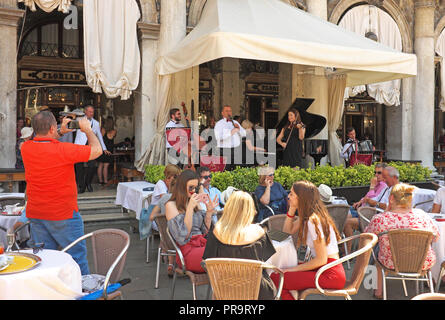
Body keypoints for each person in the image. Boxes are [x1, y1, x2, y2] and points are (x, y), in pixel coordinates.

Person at [21, 110, 103, 275]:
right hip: (63, 214)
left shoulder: (26, 147)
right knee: (76, 259)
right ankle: (80, 293)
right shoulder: (64, 149)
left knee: (44, 260)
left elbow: (42, 140)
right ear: (52, 128)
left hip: (36, 213)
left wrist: (59, 132)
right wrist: (87, 129)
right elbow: (97, 151)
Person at [269, 180, 345, 300]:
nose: (288, 196)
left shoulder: (313, 220)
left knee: (276, 278)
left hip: (329, 273)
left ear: (301, 198)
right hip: (323, 269)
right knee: (280, 274)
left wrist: (290, 270)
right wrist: (292, 210)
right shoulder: (308, 216)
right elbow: (286, 233)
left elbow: (321, 260)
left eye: (292, 194)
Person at [364, 183, 439, 299]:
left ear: (391, 198)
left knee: (375, 252)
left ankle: (377, 292)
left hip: (391, 262)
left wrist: (386, 212)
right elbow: (436, 237)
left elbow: (368, 236)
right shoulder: (423, 216)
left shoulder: (381, 219)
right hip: (422, 262)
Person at [203, 191, 278, 300]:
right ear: (250, 210)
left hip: (225, 291)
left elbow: (207, 261)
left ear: (228, 208)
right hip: (257, 292)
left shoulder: (216, 232)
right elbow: (267, 260)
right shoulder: (259, 232)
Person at [165, 170, 219, 273]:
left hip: (202, 245)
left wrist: (209, 212)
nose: (194, 191)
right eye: (191, 187)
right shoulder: (171, 205)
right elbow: (183, 236)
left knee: (228, 250)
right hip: (187, 252)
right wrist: (189, 208)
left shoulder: (194, 202)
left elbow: (205, 231)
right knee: (221, 254)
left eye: (196, 187)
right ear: (182, 186)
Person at [343, 163, 388, 251]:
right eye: (375, 172)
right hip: (362, 210)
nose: (376, 175)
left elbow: (372, 200)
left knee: (346, 221)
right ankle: (343, 247)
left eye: (379, 173)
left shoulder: (383, 186)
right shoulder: (379, 184)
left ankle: (347, 252)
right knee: (343, 215)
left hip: (368, 215)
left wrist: (371, 187)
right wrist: (361, 201)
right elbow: (367, 197)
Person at [74, 105, 109, 193]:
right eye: (90, 112)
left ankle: (88, 183)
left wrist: (104, 148)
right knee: (79, 166)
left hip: (90, 146)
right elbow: (71, 130)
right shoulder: (79, 120)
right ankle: (81, 186)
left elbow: (100, 136)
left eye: (92, 112)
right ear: (85, 111)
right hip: (80, 146)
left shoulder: (96, 123)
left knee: (92, 165)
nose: (91, 113)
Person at [214, 105, 246, 170]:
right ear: (222, 113)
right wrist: (231, 132)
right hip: (224, 150)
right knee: (225, 170)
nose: (229, 113)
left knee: (237, 170)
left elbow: (244, 134)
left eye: (230, 111)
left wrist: (239, 129)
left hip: (236, 150)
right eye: (226, 111)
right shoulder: (219, 124)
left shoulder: (235, 122)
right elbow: (218, 137)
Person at [97, 117, 117, 185]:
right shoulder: (114, 131)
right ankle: (105, 181)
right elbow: (113, 137)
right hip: (109, 150)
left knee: (100, 165)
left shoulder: (102, 129)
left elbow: (100, 139)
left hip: (102, 149)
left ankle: (100, 181)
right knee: (106, 166)